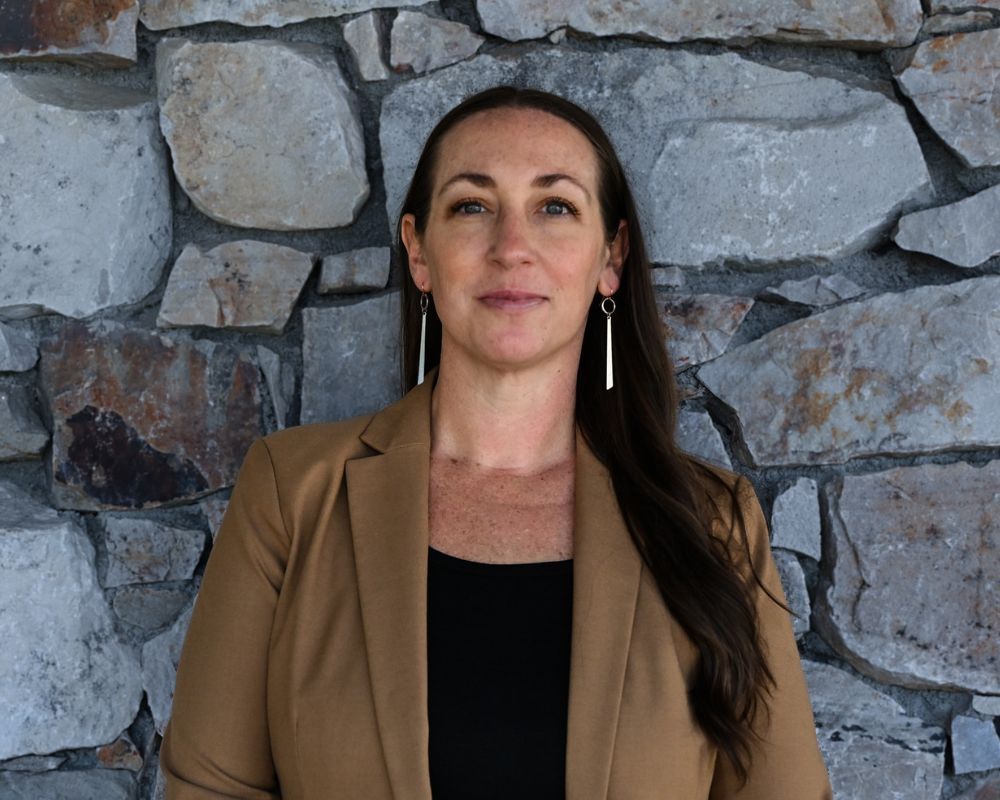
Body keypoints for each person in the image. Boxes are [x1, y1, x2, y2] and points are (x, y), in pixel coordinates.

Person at [159, 86, 833, 799]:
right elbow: (210, 788)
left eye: (555, 207)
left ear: (612, 256)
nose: (512, 249)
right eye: (473, 206)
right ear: (419, 253)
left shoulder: (712, 520)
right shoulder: (293, 495)